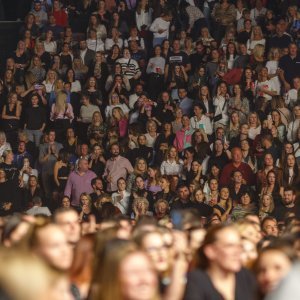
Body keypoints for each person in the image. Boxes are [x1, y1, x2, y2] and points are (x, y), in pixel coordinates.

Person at [184, 224, 257, 300]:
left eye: (239, 246)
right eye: (230, 246)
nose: (238, 251)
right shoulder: (196, 281)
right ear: (210, 251)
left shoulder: (245, 276)